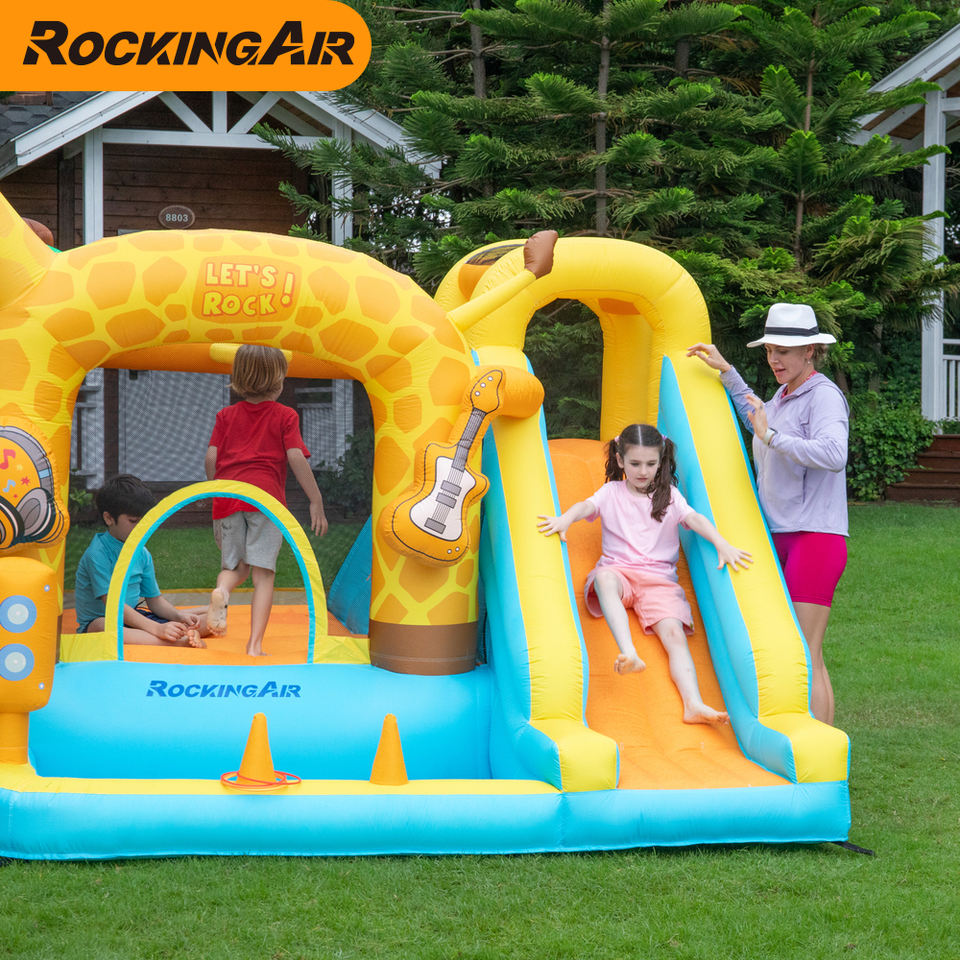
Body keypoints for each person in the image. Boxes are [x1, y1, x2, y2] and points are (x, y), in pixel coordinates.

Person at [687, 302, 849, 726]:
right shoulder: (784, 395)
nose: (774, 359)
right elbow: (757, 419)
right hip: (778, 534)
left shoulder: (823, 396)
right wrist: (727, 372)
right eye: (770, 351)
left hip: (815, 538)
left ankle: (822, 749)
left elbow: (835, 454)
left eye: (784, 352)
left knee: (806, 651)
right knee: (787, 648)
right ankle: (800, 738)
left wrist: (773, 436)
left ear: (810, 351)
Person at [537, 423, 752, 726]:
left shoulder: (670, 496)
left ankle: (693, 703)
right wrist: (565, 519)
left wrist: (722, 544)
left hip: (659, 581)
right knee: (604, 579)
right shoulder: (612, 492)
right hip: (620, 572)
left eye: (651, 464)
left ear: (661, 461)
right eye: (635, 463)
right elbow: (586, 506)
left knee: (675, 635)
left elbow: (694, 519)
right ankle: (629, 652)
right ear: (620, 460)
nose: (643, 471)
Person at [205, 344, 328, 656]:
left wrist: (216, 488)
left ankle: (222, 590)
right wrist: (315, 499)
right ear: (278, 381)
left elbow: (211, 458)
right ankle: (254, 645)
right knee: (263, 574)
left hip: (229, 497)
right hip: (266, 501)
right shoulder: (285, 415)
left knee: (235, 567)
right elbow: (295, 456)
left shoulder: (225, 415)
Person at [75, 475, 211, 646]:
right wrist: (157, 629)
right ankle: (177, 643)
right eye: (133, 521)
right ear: (109, 518)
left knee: (206, 622)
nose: (141, 528)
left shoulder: (142, 553)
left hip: (134, 618)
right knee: (100, 626)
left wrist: (178, 617)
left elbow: (154, 601)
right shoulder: (97, 554)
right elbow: (113, 605)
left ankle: (180, 632)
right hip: (105, 622)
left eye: (144, 521)